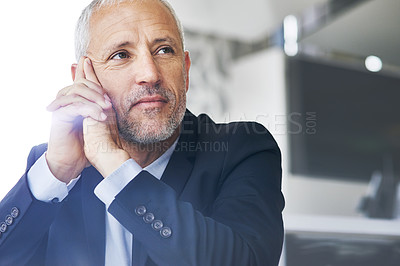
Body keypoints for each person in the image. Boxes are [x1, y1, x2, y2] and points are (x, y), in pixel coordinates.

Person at [0, 0, 284, 265]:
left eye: (164, 50)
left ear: (185, 70)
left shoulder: (242, 148)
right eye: (121, 54)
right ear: (83, 79)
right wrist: (57, 171)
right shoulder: (53, 164)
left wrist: (114, 165)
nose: (150, 73)